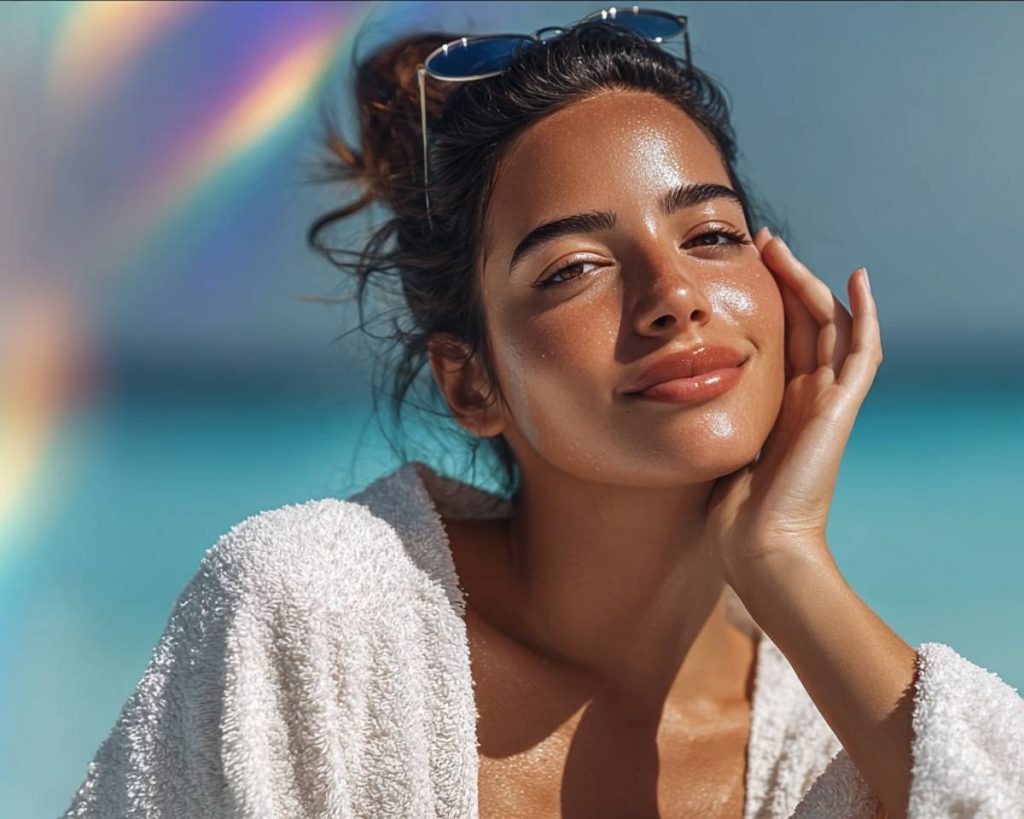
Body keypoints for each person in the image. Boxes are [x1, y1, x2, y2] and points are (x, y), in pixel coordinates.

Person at [63, 9, 1024, 819]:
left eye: (713, 235)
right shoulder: (315, 619)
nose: (673, 293)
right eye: (573, 268)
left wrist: (787, 560)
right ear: (469, 383)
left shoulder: (851, 731)